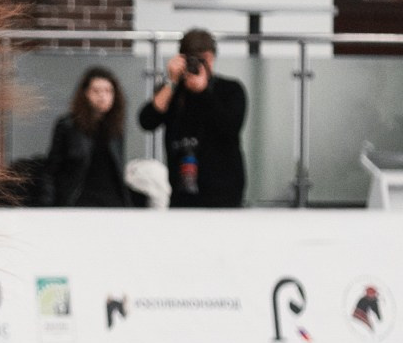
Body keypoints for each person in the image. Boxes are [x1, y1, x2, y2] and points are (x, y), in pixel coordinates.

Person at [137, 28, 248, 208]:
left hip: (224, 190)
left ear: (213, 57)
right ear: (181, 58)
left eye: (205, 59)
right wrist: (171, 82)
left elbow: (230, 127)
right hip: (182, 190)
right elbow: (147, 121)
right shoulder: (172, 92)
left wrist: (203, 92)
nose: (199, 65)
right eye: (193, 59)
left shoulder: (230, 89)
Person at [38, 69, 134, 208]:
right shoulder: (68, 125)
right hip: (80, 201)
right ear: (85, 93)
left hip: (113, 203)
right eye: (96, 91)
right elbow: (51, 169)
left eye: (108, 91)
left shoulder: (116, 128)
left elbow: (117, 169)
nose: (102, 96)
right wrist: (48, 204)